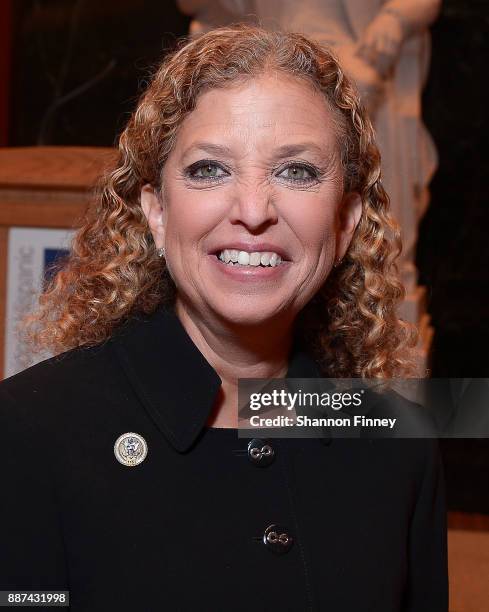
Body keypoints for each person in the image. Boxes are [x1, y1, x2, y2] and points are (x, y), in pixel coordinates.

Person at [0, 25, 447, 611]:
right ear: (156, 212)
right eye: (210, 168)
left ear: (345, 224)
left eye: (297, 171)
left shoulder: (401, 448)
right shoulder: (29, 433)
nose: (254, 210)